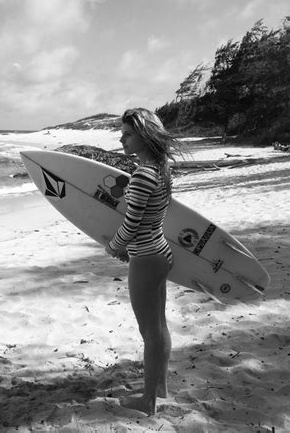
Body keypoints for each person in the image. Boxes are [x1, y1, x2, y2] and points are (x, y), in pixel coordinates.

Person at [105, 107, 183, 416]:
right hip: (159, 252)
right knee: (159, 326)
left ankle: (147, 400)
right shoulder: (161, 168)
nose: (121, 139)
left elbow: (132, 222)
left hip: (147, 258)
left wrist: (114, 246)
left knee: (149, 330)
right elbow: (150, 217)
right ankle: (159, 387)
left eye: (127, 134)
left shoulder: (141, 175)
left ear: (144, 135)